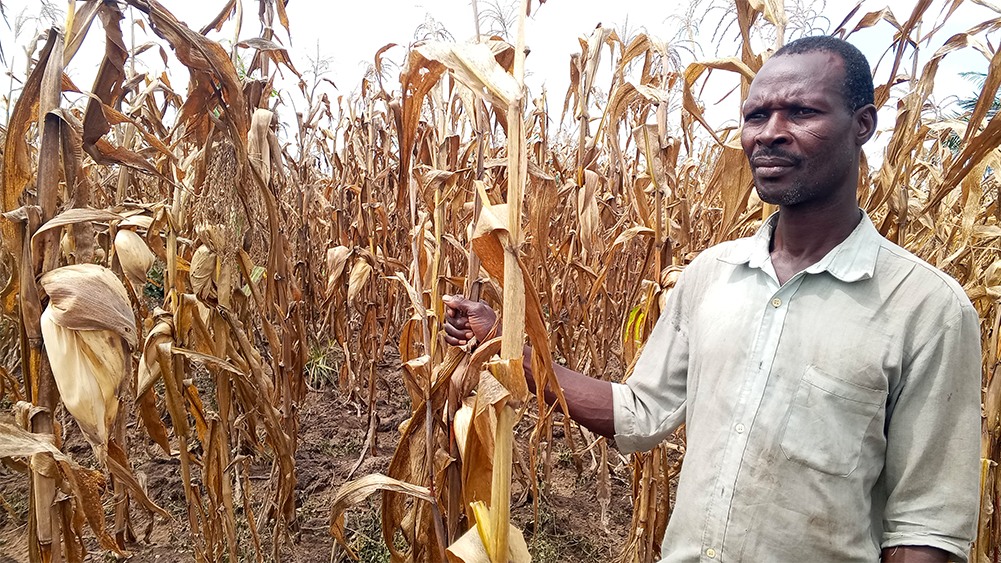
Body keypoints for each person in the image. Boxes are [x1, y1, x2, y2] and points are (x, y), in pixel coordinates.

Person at [443, 35, 981, 563]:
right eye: (755, 116)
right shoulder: (711, 275)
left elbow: (925, 526)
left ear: (862, 125)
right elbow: (641, 412)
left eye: (801, 112)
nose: (770, 133)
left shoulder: (926, 309)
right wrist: (509, 346)